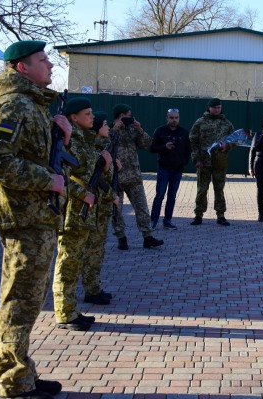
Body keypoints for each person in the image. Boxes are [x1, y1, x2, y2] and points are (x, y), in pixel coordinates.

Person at [0, 40, 67, 398]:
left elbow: (34, 154)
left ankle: (22, 375)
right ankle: (14, 383)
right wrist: (48, 180)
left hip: (36, 216)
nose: (50, 65)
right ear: (21, 68)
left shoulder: (33, 105)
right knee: (19, 302)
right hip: (23, 217)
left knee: (28, 301)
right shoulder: (13, 104)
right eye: (42, 60)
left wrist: (62, 134)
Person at [52, 97, 110, 331]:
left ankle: (72, 309)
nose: (92, 117)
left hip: (85, 212)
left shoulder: (85, 141)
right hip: (72, 210)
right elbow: (60, 172)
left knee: (75, 263)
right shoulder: (67, 140)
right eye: (87, 113)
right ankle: (64, 313)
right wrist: (81, 193)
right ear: (73, 117)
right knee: (67, 262)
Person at [110, 104, 164, 250]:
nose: (131, 117)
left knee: (142, 207)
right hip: (115, 177)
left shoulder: (132, 130)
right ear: (121, 115)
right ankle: (121, 237)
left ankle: (147, 237)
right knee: (116, 209)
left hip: (134, 176)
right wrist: (114, 131)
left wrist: (139, 129)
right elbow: (103, 145)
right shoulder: (109, 130)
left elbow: (147, 143)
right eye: (129, 115)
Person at [81, 111, 119, 306]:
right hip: (94, 205)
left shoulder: (102, 146)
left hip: (101, 207)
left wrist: (113, 166)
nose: (108, 128)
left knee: (98, 250)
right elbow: (96, 180)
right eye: (105, 124)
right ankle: (90, 289)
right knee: (91, 250)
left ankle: (94, 288)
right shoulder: (92, 148)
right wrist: (112, 195)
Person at [189, 98, 234, 226]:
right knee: (202, 189)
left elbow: (234, 139)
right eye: (214, 107)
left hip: (220, 162)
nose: (216, 109)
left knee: (219, 189)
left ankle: (220, 215)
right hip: (204, 162)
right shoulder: (200, 122)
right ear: (209, 108)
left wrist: (227, 145)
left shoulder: (227, 123)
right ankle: (198, 215)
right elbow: (193, 141)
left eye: (218, 107)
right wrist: (196, 159)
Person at [149, 108, 191, 230]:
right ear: (167, 118)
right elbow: (152, 148)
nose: (174, 120)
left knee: (172, 196)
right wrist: (164, 147)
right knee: (160, 195)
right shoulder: (160, 131)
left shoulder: (183, 132)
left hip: (177, 169)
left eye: (176, 118)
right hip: (164, 168)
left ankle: (167, 220)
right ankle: (153, 220)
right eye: (171, 118)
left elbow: (188, 149)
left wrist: (184, 162)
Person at [248, 116, 263, 222]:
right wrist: (250, 167)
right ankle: (260, 212)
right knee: (261, 189)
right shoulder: (258, 134)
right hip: (260, 163)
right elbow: (253, 150)